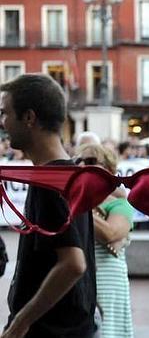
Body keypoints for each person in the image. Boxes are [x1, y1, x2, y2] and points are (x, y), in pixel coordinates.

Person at [0, 73, 96, 338]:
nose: (3, 122)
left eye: (5, 113)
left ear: (29, 118)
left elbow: (73, 264)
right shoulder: (71, 173)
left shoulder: (50, 183)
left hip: (51, 332)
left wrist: (20, 324)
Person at [75, 144, 134, 338]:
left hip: (107, 281)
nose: (83, 165)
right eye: (78, 161)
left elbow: (111, 234)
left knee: (108, 331)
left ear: (109, 170)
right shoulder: (72, 201)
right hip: (79, 280)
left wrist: (78, 206)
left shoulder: (119, 203)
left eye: (91, 162)